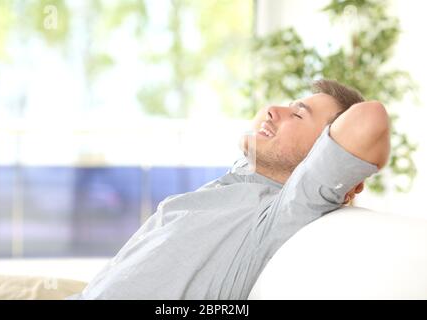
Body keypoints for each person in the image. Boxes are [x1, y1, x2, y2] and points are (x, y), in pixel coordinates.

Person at [67, 79, 390, 300]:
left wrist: (339, 172)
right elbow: (259, 126)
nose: (271, 111)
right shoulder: (241, 176)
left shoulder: (283, 209)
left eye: (297, 114)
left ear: (322, 156)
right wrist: (289, 120)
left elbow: (368, 120)